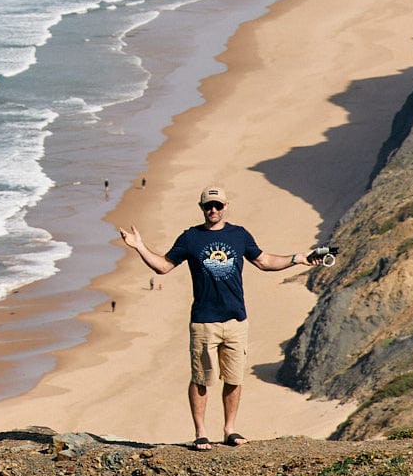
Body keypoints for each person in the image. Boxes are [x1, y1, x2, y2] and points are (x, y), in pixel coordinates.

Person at [118, 184, 311, 451]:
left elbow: (265, 262)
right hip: (203, 321)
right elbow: (163, 267)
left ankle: (229, 429)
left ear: (225, 206)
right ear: (201, 208)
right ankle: (201, 432)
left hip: (236, 321)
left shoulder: (239, 235)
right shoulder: (190, 238)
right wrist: (139, 246)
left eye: (218, 205)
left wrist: (297, 258)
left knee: (234, 379)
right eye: (208, 206)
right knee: (201, 379)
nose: (213, 210)